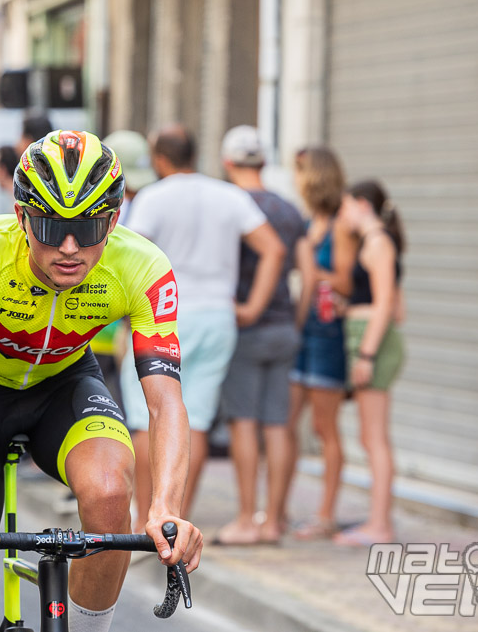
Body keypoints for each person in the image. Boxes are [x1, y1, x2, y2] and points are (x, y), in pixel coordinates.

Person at [0, 130, 202, 632]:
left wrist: (167, 507)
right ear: (22, 217)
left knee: (113, 493)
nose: (70, 248)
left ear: (113, 220)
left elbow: (166, 403)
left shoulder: (144, 267)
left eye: (89, 228)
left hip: (62, 386)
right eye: (50, 227)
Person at [118, 125, 285, 533]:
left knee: (145, 417)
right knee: (196, 417)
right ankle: (175, 519)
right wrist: (252, 306)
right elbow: (274, 248)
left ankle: (144, 520)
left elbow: (129, 255)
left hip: (163, 314)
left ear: (159, 159)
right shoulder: (227, 195)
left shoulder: (153, 197)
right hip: (217, 317)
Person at [216, 126, 310, 544]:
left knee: (243, 423)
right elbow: (307, 275)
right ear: (265, 162)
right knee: (278, 425)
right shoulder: (289, 211)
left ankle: (246, 520)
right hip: (285, 327)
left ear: (228, 163)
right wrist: (296, 319)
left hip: (245, 327)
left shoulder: (229, 206)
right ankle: (273, 521)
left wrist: (248, 309)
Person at [332, 180, 406, 546]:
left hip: (371, 345)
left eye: (345, 206)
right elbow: (399, 308)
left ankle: (380, 525)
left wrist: (367, 353)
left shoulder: (378, 243)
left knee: (374, 438)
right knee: (370, 436)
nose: (342, 214)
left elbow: (386, 305)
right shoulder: (380, 242)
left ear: (362, 204)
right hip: (367, 339)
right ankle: (378, 521)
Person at [285, 146, 353, 540]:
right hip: (303, 327)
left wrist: (313, 272)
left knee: (325, 427)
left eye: (299, 172)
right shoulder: (311, 221)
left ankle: (326, 514)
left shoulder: (340, 223)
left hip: (326, 332)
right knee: (287, 421)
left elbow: (344, 280)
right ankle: (280, 509)